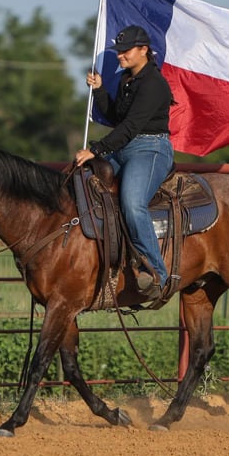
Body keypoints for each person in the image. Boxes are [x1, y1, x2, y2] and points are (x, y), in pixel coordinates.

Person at [75, 25, 175, 299]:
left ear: (144, 50)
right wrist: (99, 90)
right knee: (83, 183)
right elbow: (117, 119)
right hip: (124, 148)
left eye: (126, 51)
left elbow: (131, 126)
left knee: (132, 202)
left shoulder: (154, 84)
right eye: (118, 51)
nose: (120, 55)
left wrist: (96, 150)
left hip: (151, 149)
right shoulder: (126, 80)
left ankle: (156, 273)